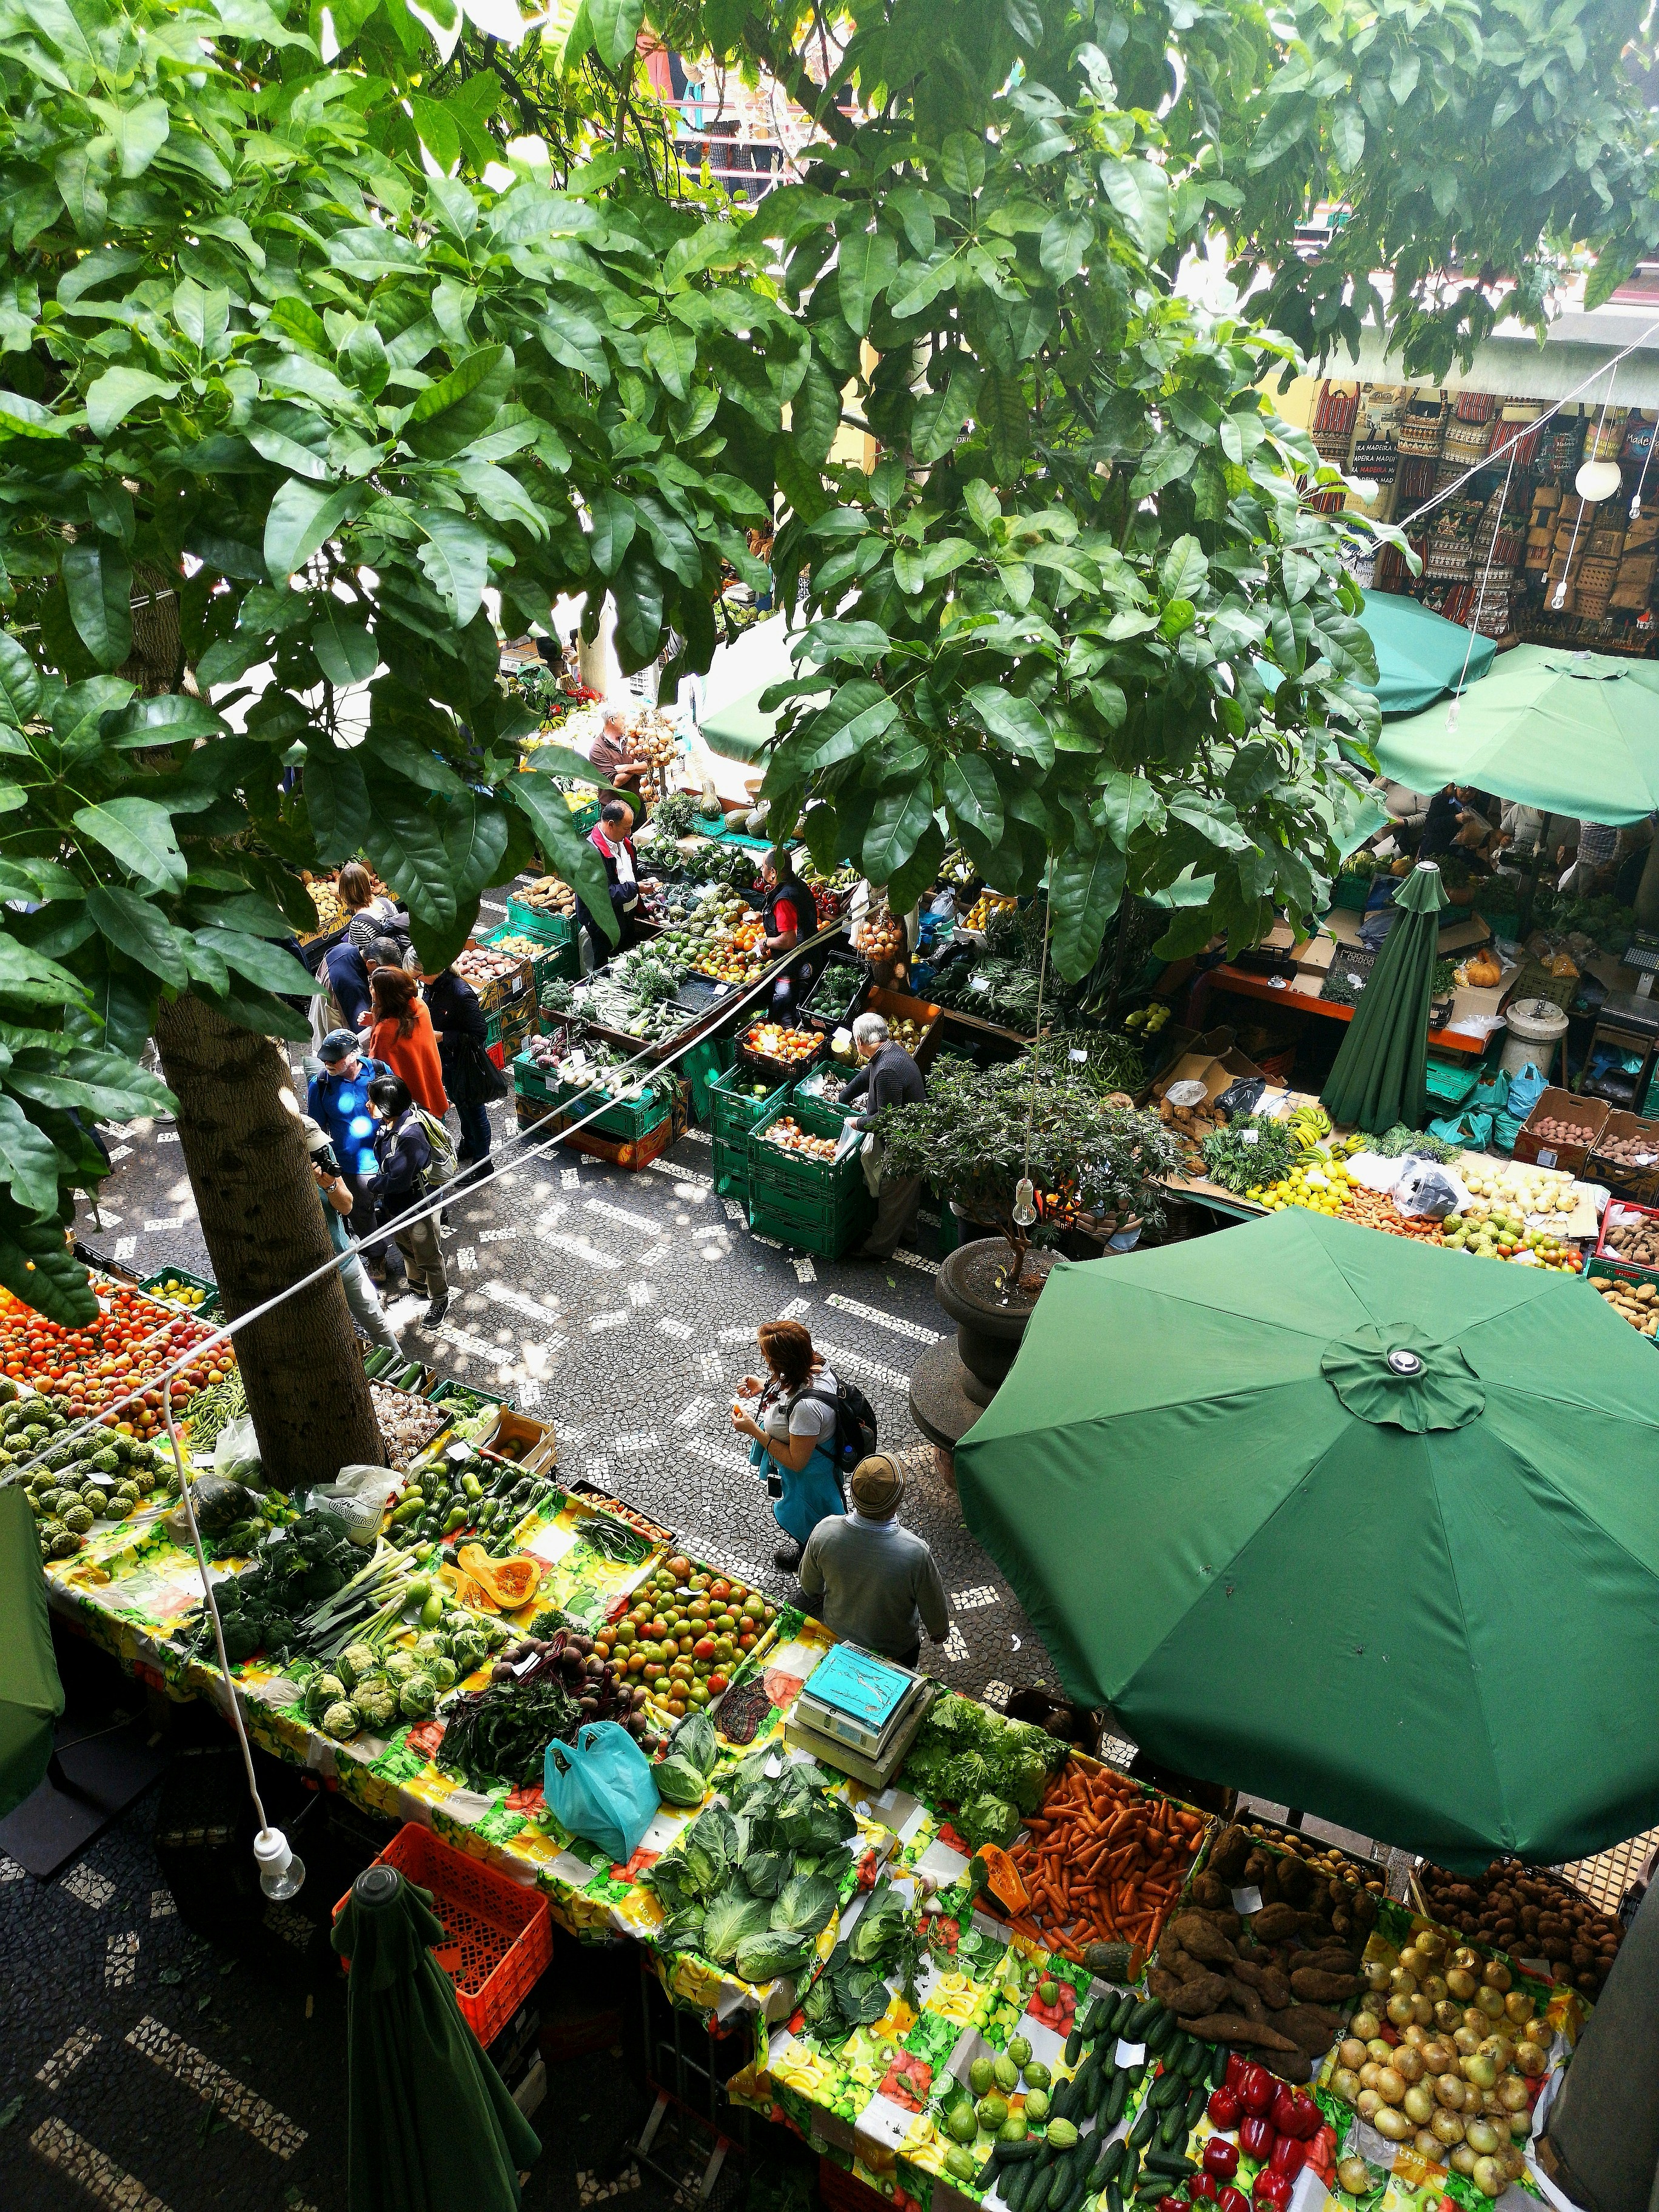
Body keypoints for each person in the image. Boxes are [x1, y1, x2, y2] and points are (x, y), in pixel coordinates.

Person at [798, 1453, 949, 1668]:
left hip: (837, 1637)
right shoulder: (915, 1552)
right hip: (895, 1652)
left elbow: (810, 1587)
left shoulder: (825, 1531)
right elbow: (934, 1609)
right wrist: (939, 1631)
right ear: (897, 1500)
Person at [730, 1318, 847, 1572]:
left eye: (767, 1357)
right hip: (812, 1468)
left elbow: (796, 1461)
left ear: (783, 1363)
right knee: (809, 1517)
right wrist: (764, 1386)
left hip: (810, 1477)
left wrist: (754, 1431)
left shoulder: (805, 1408)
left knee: (812, 1520)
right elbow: (792, 1387)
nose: (764, 1359)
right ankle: (809, 1553)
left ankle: (813, 1568)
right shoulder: (815, 1364)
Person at [307, 1030, 405, 1289]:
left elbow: (397, 1103)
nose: (328, 1064)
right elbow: (316, 1129)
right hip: (351, 1164)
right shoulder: (320, 1085)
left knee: (400, 1200)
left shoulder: (378, 1069)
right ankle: (376, 1255)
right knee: (361, 1212)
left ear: (354, 1056)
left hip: (388, 1154)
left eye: (334, 1059)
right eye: (325, 1059)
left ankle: (411, 1246)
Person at [298, 1114, 400, 1351]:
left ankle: (400, 1367)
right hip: (309, 1273)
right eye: (310, 1150)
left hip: (343, 1256)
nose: (319, 1152)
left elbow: (346, 1206)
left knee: (376, 1322)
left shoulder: (322, 1155)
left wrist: (329, 1185)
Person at [840, 1011, 928, 1259]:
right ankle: (908, 1233)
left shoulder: (887, 1069)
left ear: (859, 1042)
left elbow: (886, 1120)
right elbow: (868, 1073)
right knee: (906, 1192)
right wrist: (845, 1095)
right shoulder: (890, 1052)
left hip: (907, 1142)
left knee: (893, 1192)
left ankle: (877, 1248)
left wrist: (857, 1122)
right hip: (914, 1135)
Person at [364, 1074, 449, 1327]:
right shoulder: (389, 1125)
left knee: (428, 1256)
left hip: (417, 1207)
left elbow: (399, 1180)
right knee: (406, 1249)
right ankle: (419, 1289)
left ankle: (439, 1299)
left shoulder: (410, 1136)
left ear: (388, 1106)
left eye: (373, 1101)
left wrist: (373, 1185)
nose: (368, 1105)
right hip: (397, 1206)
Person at [424, 962, 497, 1180]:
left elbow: (479, 1033)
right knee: (462, 1107)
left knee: (475, 1112)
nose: (417, 979)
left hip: (465, 1063)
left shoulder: (460, 992)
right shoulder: (433, 987)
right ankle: (468, 1145)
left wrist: (443, 1037)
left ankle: (483, 1163)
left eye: (419, 974)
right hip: (448, 1061)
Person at [367, 966, 447, 1118]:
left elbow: (378, 1067)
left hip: (410, 1105)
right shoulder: (420, 1007)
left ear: (385, 996)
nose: (370, 990)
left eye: (372, 988)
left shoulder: (385, 1031)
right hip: (431, 1087)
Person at [576, 797, 651, 956]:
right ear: (611, 824)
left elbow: (628, 871)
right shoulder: (591, 856)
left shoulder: (623, 843)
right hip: (605, 925)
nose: (629, 833)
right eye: (626, 829)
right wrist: (636, 888)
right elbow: (603, 895)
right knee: (607, 967)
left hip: (626, 917)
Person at [758, 845, 820, 1016]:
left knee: (785, 1016)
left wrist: (765, 942)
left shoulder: (784, 900)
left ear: (773, 872)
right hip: (810, 956)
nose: (761, 870)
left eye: (763, 867)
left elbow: (788, 940)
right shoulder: (798, 885)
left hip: (794, 966)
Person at [339, 862, 419, 967]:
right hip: (407, 961)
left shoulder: (358, 925)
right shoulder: (386, 902)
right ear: (368, 883)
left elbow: (367, 961)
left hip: (389, 972)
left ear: (344, 892)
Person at [577, 708, 651, 795]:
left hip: (637, 802)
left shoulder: (630, 739)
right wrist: (636, 767)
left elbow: (648, 764)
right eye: (623, 718)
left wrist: (627, 768)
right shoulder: (597, 749)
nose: (626, 723)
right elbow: (614, 782)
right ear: (612, 720)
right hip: (615, 806)